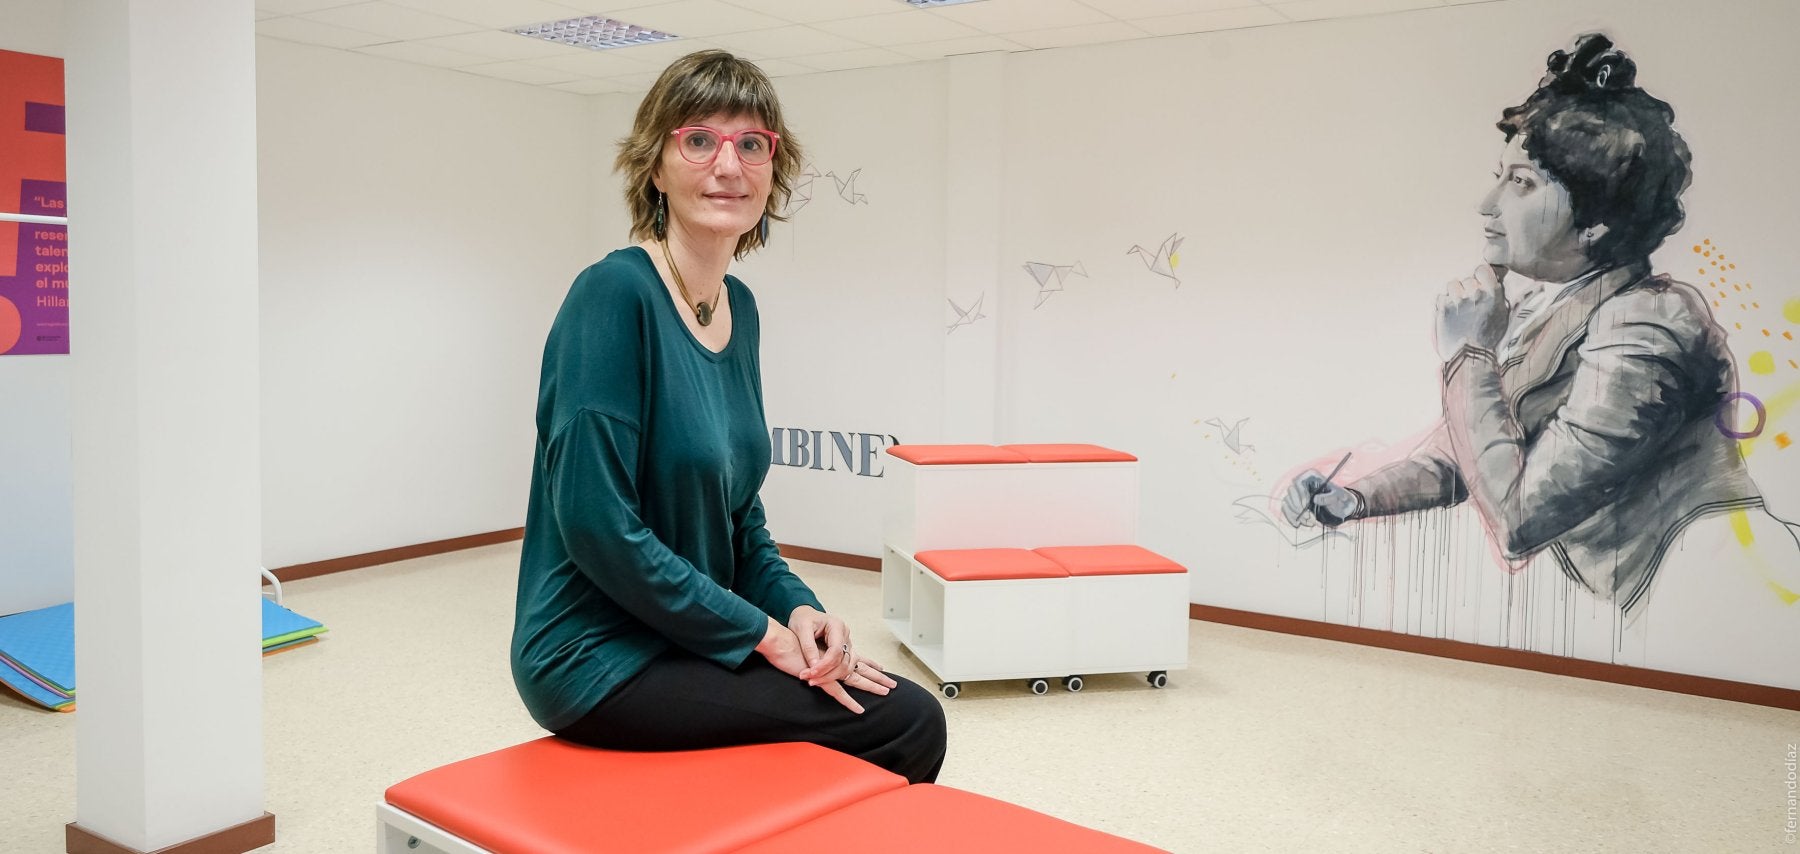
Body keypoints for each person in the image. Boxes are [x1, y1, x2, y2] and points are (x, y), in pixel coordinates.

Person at [511, 50, 946, 784]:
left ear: (773, 170)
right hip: (594, 655)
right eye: (699, 140)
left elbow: (738, 516)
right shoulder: (612, 297)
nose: (729, 164)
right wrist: (759, 635)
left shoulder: (737, 309)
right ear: (655, 166)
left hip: (682, 636)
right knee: (905, 721)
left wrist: (798, 611)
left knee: (870, 697)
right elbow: (596, 525)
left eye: (752, 144)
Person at [1280, 33, 1794, 615]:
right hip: (1632, 604)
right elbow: (1464, 457)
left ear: (1596, 222)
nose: (1487, 203)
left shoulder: (1651, 325)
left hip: (1704, 591)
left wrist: (1469, 357)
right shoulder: (1550, 304)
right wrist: (1353, 497)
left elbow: (1520, 520)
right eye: (1499, 176)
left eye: (1520, 182)